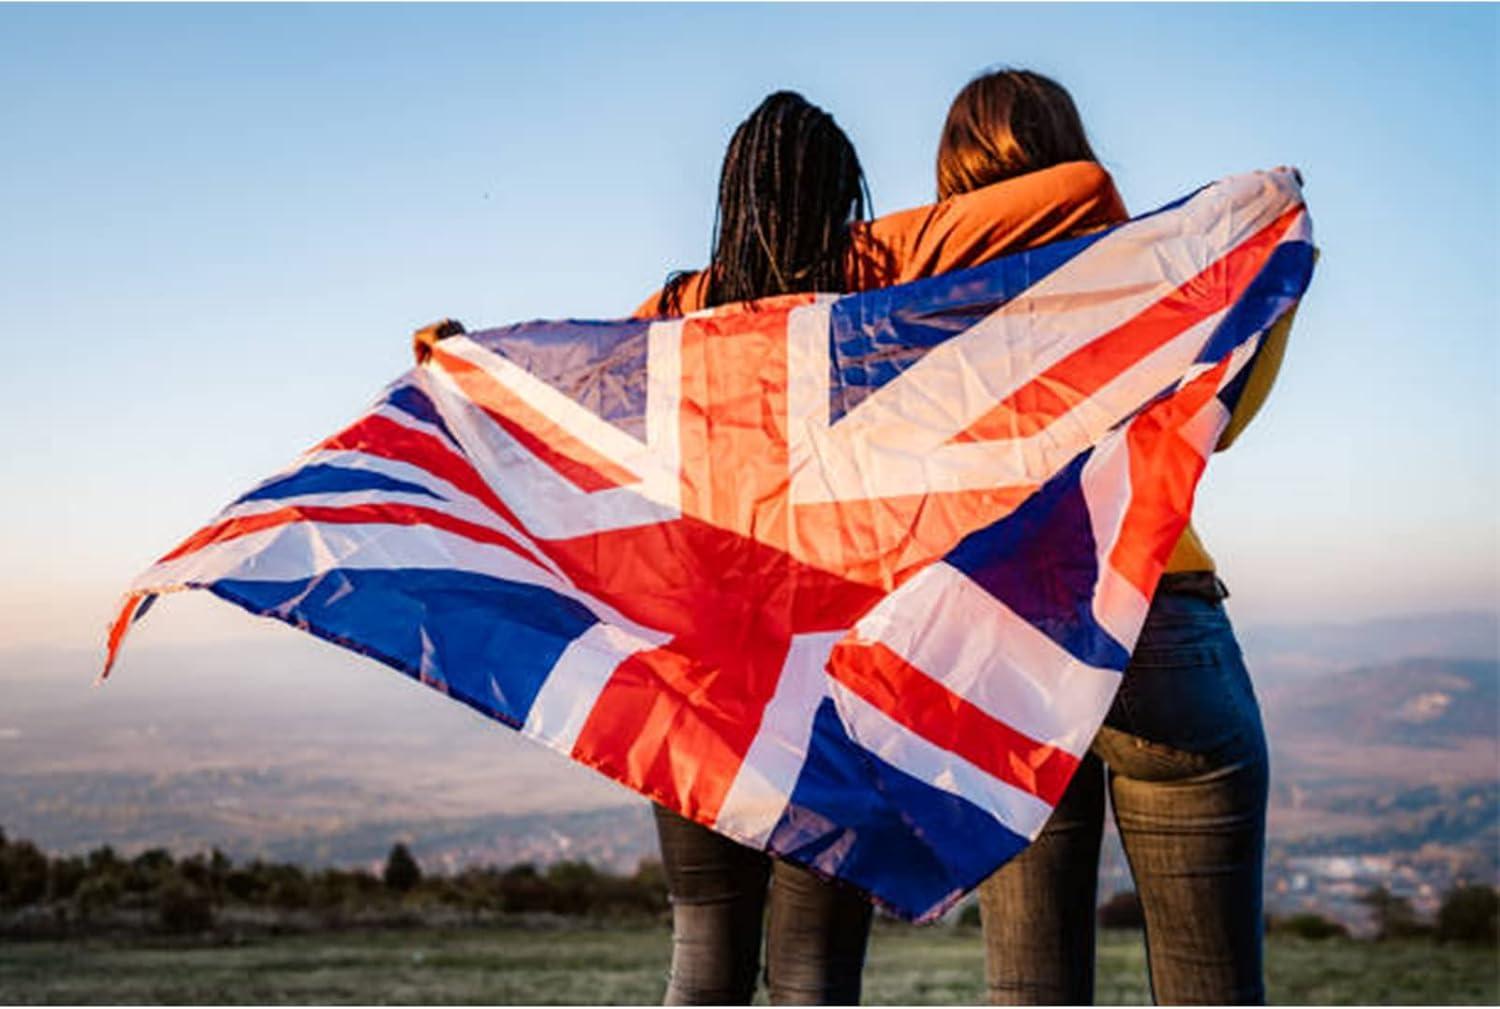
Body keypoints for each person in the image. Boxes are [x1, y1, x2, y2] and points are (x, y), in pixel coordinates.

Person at [412, 88, 1129, 1005]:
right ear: (844, 196)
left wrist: (469, 360)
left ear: (730, 194)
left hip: (696, 679)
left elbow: (557, 401)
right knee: (813, 976)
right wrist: (862, 232)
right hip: (821, 684)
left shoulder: (673, 314)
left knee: (704, 957)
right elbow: (1080, 188)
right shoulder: (872, 279)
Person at [933, 68, 1297, 1006]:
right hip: (1161, 624)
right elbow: (1225, 415)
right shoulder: (1138, 282)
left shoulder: (919, 311)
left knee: (1030, 988)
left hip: (1004, 646)